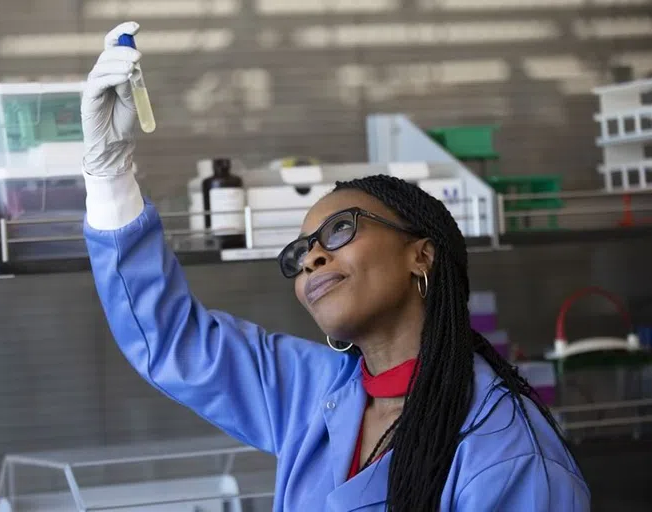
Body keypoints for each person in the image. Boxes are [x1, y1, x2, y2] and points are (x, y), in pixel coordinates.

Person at [81, 22, 590, 512]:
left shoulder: (507, 449)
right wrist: (110, 176)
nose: (312, 258)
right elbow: (173, 341)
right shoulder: (316, 392)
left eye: (340, 229)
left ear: (421, 254)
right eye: (300, 252)